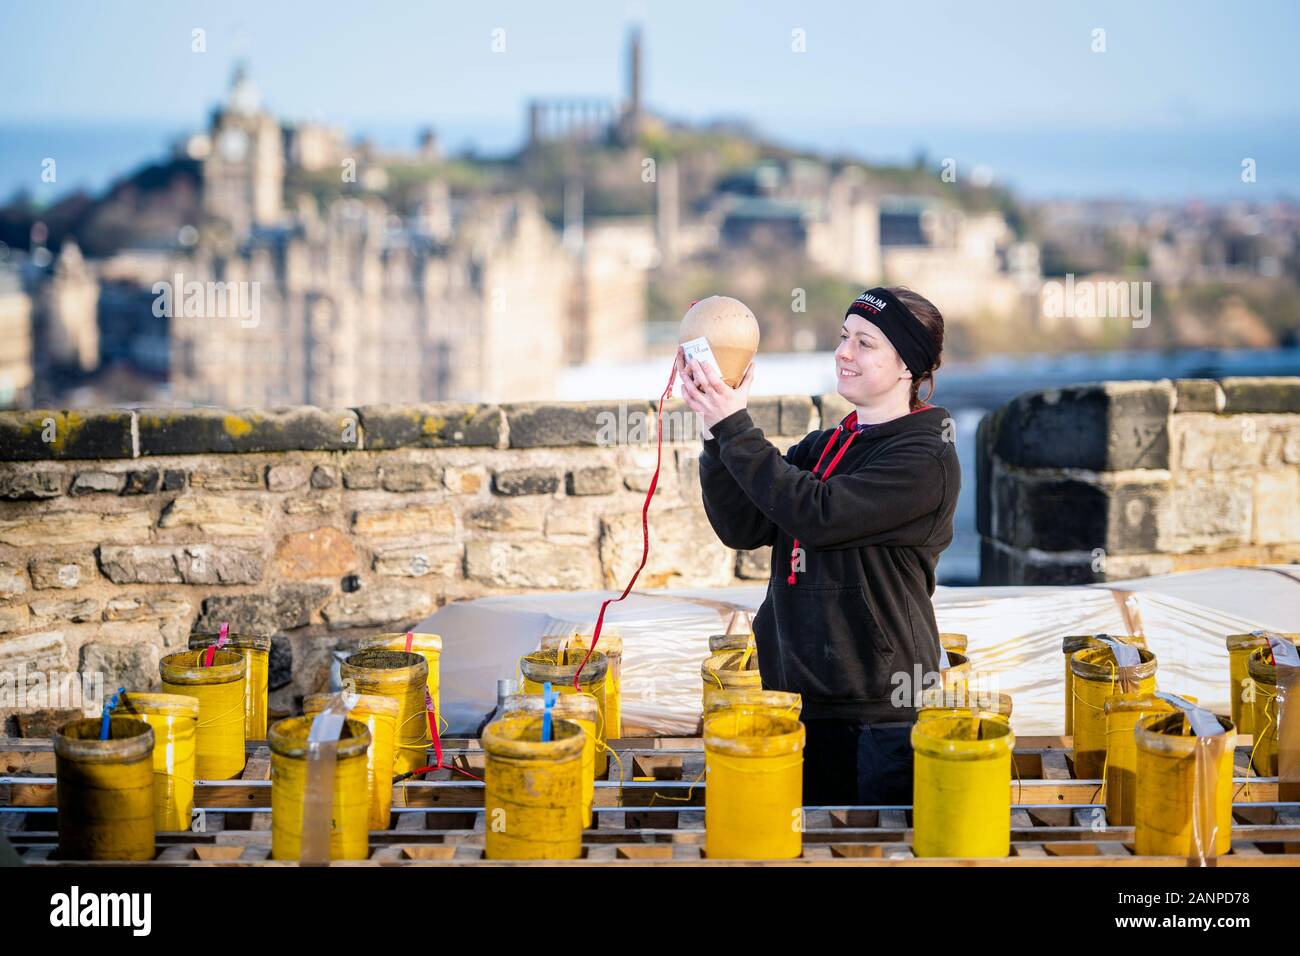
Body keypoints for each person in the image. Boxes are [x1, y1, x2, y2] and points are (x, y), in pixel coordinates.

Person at [677, 286, 959, 807]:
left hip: (879, 712)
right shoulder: (825, 446)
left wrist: (734, 424)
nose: (843, 353)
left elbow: (819, 514)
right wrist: (716, 437)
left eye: (865, 343)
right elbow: (744, 526)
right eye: (844, 337)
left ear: (907, 367)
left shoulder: (926, 457)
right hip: (795, 699)